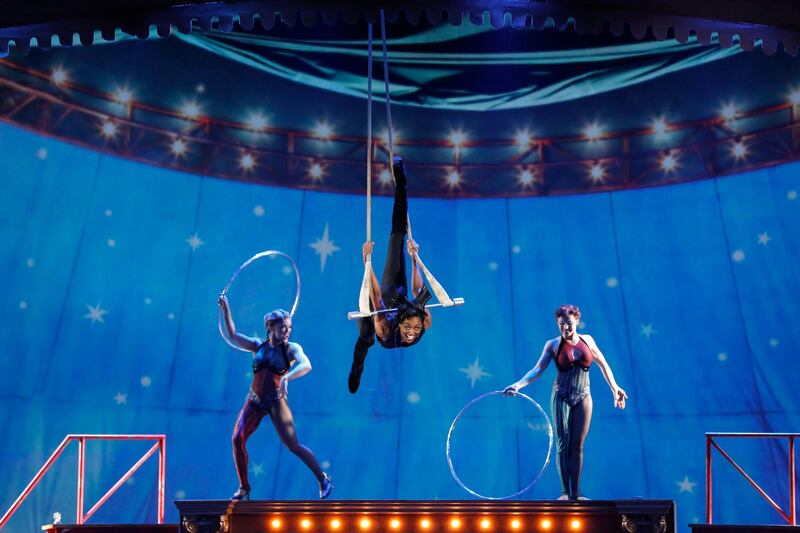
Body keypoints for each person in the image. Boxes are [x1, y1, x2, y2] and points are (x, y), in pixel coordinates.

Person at [504, 304, 627, 500]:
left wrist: (615, 388)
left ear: (577, 321)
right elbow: (537, 370)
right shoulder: (553, 345)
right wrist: (517, 385)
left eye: (569, 324)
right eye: (561, 325)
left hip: (583, 396)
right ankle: (564, 493)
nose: (566, 329)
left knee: (577, 444)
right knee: (563, 443)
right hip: (561, 396)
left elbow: (603, 364)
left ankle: (576, 493)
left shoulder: (588, 341)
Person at [218, 295, 333, 500]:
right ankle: (244, 487)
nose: (287, 331)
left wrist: (287, 376)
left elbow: (306, 364)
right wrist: (226, 310)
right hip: (254, 399)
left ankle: (322, 478)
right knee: (237, 439)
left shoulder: (291, 349)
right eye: (283, 328)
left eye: (289, 327)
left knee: (293, 446)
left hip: (276, 400)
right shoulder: (257, 346)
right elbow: (233, 334)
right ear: (270, 327)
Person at [348, 156, 432, 394]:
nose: (412, 333)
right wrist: (414, 258)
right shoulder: (422, 319)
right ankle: (401, 184)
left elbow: (374, 297)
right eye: (412, 329)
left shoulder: (388, 330)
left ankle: (355, 369)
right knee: (398, 237)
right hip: (391, 296)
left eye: (414, 331)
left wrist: (366, 262)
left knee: (367, 334)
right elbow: (416, 291)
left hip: (380, 309)